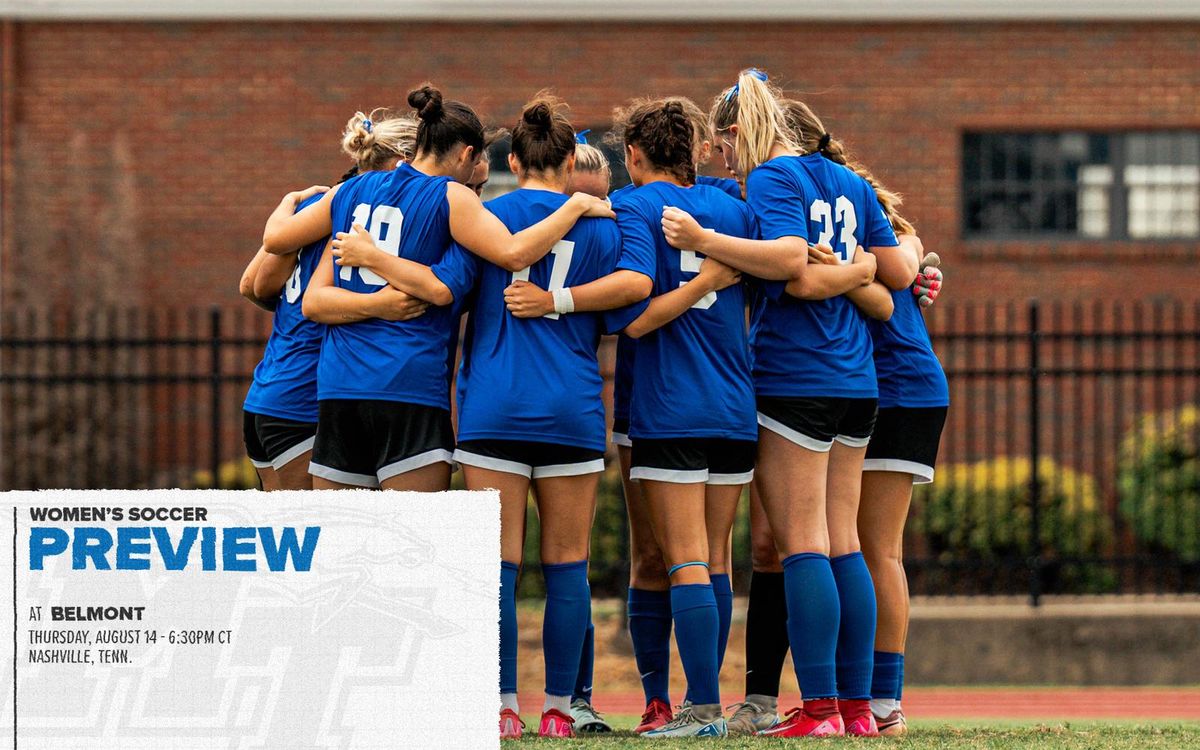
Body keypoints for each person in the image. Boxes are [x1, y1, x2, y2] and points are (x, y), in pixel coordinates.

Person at [331, 93, 623, 739]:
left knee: (496, 567)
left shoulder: (485, 217)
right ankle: (562, 707)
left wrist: (376, 265)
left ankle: (499, 705)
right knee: (569, 565)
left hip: (492, 407)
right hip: (571, 407)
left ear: (511, 159)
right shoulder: (606, 224)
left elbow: (444, 296)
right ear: (573, 157)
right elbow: (627, 309)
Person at [661, 69, 897, 737]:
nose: (724, 159)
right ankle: (856, 711)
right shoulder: (847, 180)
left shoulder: (771, 177)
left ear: (739, 132)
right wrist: (857, 271)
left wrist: (702, 241)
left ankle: (819, 709)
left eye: (724, 143)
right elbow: (885, 266)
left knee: (803, 545)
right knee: (844, 541)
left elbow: (790, 263)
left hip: (796, 375)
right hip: (857, 379)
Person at [260, 83, 612, 491]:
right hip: (409, 384)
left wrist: (290, 202)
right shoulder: (453, 199)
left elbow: (283, 253)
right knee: (417, 546)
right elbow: (508, 257)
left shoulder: (352, 189)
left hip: (340, 388)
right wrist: (575, 205)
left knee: (344, 548)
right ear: (466, 155)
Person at [608, 95, 803, 739]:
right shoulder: (735, 210)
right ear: (691, 151)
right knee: (717, 561)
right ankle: (707, 704)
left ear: (633, 155)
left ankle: (700, 710)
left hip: (669, 408)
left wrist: (691, 287)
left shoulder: (632, 205)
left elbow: (633, 319)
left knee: (685, 561)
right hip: (733, 406)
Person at [237, 109, 420, 490]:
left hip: (267, 394)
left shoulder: (312, 208)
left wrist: (289, 201)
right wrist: (376, 306)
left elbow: (252, 285)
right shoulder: (363, 215)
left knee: (296, 541)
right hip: (304, 401)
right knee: (323, 542)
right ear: (404, 163)